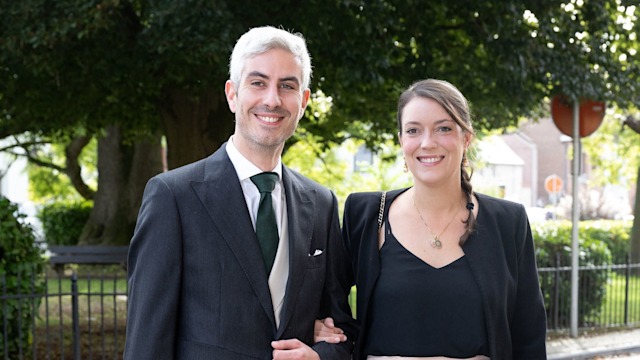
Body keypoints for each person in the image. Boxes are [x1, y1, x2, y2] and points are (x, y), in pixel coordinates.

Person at [124, 26, 356, 360]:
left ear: (303, 101)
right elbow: (147, 340)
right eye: (258, 83)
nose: (272, 99)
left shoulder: (320, 203)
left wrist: (320, 354)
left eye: (287, 86)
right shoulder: (173, 197)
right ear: (233, 95)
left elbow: (342, 331)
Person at [316, 79, 547, 359]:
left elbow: (529, 339)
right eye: (414, 130)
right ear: (402, 141)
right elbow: (332, 313)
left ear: (466, 138)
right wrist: (321, 334)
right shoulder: (364, 214)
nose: (427, 142)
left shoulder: (508, 222)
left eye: (444, 128)